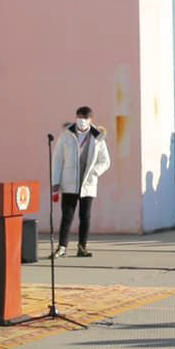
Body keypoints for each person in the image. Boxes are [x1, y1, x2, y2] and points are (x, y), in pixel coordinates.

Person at [54, 106, 111, 255]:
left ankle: (82, 247)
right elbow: (57, 160)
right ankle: (62, 247)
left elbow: (105, 161)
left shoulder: (98, 137)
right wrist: (55, 182)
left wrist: (94, 172)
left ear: (90, 119)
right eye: (79, 117)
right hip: (69, 183)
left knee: (85, 216)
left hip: (87, 183)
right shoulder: (66, 135)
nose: (81, 121)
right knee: (67, 216)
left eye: (85, 118)